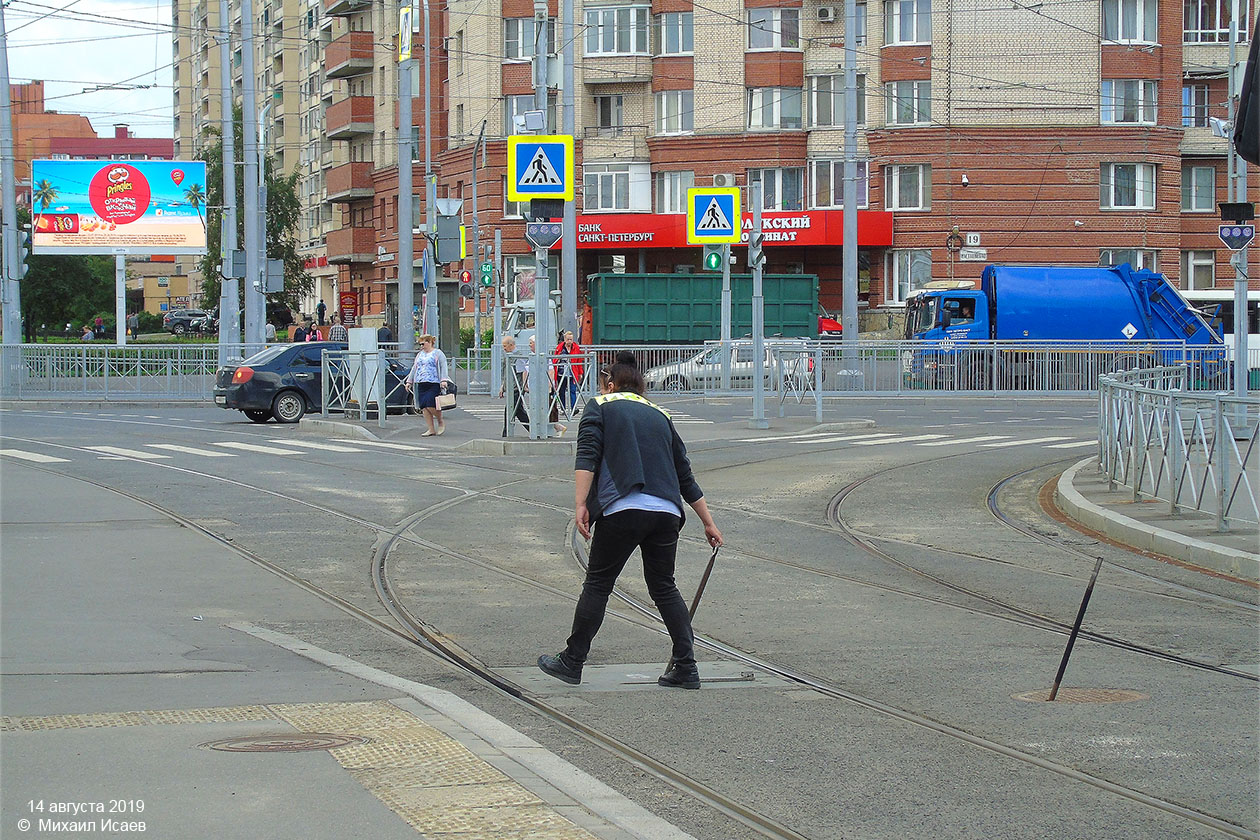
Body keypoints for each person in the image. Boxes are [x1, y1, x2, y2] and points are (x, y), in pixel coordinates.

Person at [538, 352, 723, 690]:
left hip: (623, 507)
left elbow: (588, 455)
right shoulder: (661, 415)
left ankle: (572, 661)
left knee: (598, 584)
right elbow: (685, 474)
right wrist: (708, 522)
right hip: (666, 513)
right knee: (664, 587)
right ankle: (686, 666)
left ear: (610, 384)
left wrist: (581, 503)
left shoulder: (601, 405)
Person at [404, 334, 451, 436]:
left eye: (423, 343)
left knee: (430, 404)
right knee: (424, 406)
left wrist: (444, 380)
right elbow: (414, 368)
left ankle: (440, 421)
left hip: (433, 382)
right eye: (420, 344)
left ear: (429, 342)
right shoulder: (420, 354)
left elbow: (443, 366)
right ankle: (431, 429)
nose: (421, 346)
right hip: (421, 382)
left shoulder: (438, 353)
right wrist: (409, 381)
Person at [529, 336, 566, 436]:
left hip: (544, 387)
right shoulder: (533, 355)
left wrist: (550, 385)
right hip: (538, 387)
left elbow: (551, 371)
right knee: (544, 407)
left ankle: (557, 427)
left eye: (531, 343)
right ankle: (552, 427)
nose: (529, 345)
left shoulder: (542, 356)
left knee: (547, 407)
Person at [499, 335, 532, 435]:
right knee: (518, 412)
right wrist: (503, 387)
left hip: (516, 389)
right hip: (511, 388)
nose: (504, 348)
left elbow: (523, 372)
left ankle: (506, 433)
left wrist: (524, 386)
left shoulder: (518, 356)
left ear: (511, 345)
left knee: (510, 410)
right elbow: (506, 373)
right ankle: (533, 430)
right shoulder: (509, 356)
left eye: (505, 346)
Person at [552, 330, 584, 413]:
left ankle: (574, 408)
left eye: (571, 339)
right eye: (568, 339)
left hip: (572, 373)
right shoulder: (560, 347)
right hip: (561, 373)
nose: (569, 341)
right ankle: (563, 408)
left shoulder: (576, 348)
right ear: (565, 339)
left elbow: (579, 361)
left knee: (573, 390)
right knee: (561, 391)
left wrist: (580, 373)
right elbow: (555, 359)